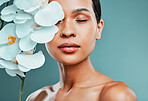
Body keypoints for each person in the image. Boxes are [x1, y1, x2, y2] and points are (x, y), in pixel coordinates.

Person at [26, 0, 137, 100]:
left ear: (98, 29)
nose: (67, 31)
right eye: (56, 20)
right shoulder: (37, 97)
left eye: (81, 19)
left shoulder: (116, 95)